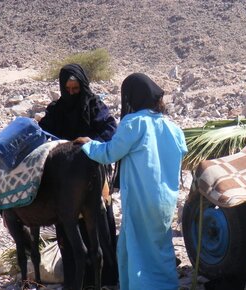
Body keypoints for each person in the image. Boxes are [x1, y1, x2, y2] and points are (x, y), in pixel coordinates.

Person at [76, 72, 188, 290]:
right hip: (166, 199)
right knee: (159, 245)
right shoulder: (173, 128)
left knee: (136, 248)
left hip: (141, 198)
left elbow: (109, 153)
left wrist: (88, 144)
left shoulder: (133, 123)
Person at [38, 63, 118, 288]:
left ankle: (105, 277)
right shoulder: (56, 109)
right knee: (67, 223)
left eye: (76, 89)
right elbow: (43, 134)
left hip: (93, 171)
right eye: (69, 90)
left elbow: (110, 130)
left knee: (98, 223)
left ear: (83, 86)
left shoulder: (95, 106)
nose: (73, 94)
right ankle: (76, 280)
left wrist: (89, 142)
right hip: (64, 177)